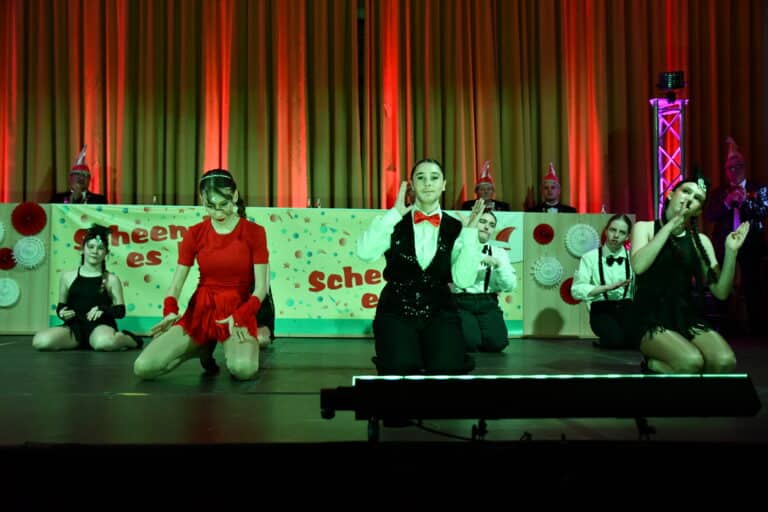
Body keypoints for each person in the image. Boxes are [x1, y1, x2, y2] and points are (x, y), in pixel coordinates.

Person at [133, 169, 269, 380]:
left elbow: (261, 288)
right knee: (143, 367)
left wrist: (241, 315)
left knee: (243, 369)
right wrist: (170, 310)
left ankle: (217, 346)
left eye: (224, 204)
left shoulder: (254, 232)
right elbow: (176, 285)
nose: (218, 213)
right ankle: (199, 347)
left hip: (237, 312)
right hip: (200, 312)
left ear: (234, 195)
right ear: (202, 200)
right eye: (210, 206)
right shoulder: (194, 233)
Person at [357, 158, 485, 375]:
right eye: (421, 178)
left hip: (440, 310)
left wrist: (471, 235)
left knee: (446, 367)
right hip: (396, 309)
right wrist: (393, 214)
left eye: (434, 178)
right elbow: (365, 253)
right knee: (401, 367)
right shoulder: (392, 221)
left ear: (443, 184)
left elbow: (463, 280)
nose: (427, 183)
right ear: (412, 185)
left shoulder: (456, 227)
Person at [630, 174, 750, 374]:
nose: (689, 199)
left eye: (697, 198)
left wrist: (731, 252)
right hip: (649, 316)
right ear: (670, 194)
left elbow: (721, 292)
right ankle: (652, 364)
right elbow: (639, 266)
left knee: (724, 362)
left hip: (684, 314)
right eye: (686, 191)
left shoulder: (700, 241)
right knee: (691, 362)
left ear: (698, 211)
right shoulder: (644, 228)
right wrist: (671, 225)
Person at [32, 224, 141, 351]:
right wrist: (62, 313)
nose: (95, 251)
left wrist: (103, 309)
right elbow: (61, 306)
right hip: (74, 328)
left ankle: (128, 339)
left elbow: (120, 311)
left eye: (100, 248)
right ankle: (80, 342)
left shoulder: (111, 279)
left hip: (100, 327)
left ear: (106, 253)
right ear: (82, 249)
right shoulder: (67, 277)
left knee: (103, 343)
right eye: (91, 247)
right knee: (40, 341)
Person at [703, 137, 767, 336]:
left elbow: (764, 211)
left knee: (752, 286)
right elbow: (709, 214)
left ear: (745, 167)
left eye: (738, 166)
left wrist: (745, 201)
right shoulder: (719, 192)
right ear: (725, 170)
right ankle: (723, 327)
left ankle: (756, 328)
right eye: (730, 167)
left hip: (751, 246)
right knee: (722, 284)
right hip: (724, 246)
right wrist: (727, 202)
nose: (734, 170)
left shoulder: (758, 188)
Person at [451, 210, 517, 352]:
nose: (487, 227)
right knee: (470, 343)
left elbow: (510, 286)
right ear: (474, 223)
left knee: (498, 344)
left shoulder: (499, 252)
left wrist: (499, 266)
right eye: (482, 222)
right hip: (461, 301)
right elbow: (456, 257)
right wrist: (481, 257)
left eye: (491, 225)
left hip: (487, 302)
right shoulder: (458, 246)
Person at [571, 214, 638, 349]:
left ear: (627, 237)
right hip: (601, 310)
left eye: (622, 232)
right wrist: (605, 288)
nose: (616, 235)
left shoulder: (633, 257)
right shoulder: (589, 258)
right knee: (615, 341)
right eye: (613, 230)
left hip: (627, 309)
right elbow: (576, 290)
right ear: (606, 231)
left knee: (637, 341)